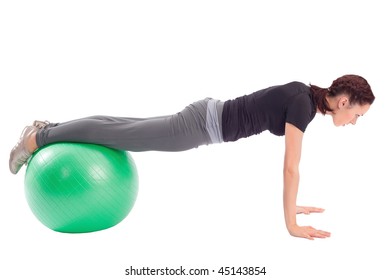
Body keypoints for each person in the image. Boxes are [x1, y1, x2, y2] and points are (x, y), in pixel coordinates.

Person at [9, 74, 375, 240]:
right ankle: (38, 138)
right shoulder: (302, 107)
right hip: (198, 128)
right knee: (115, 133)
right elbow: (291, 168)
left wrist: (292, 206)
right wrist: (290, 225)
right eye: (357, 114)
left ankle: (49, 126)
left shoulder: (302, 93)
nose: (354, 122)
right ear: (343, 101)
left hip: (203, 117)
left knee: (118, 127)